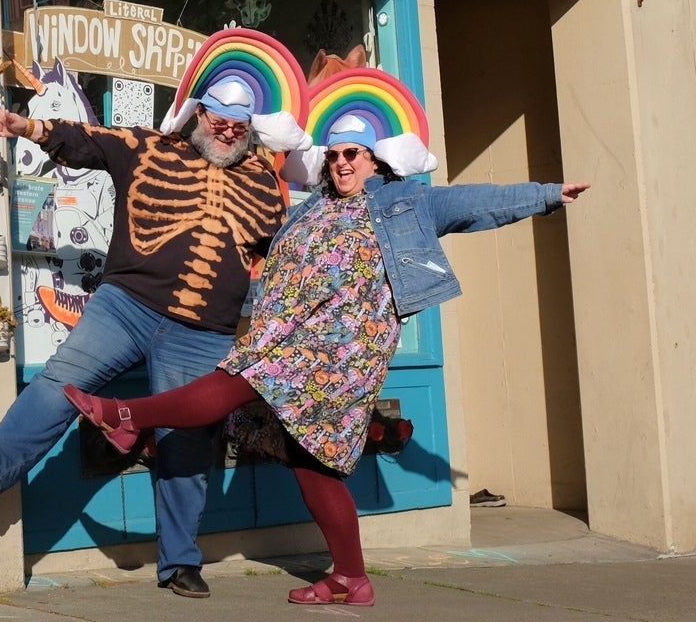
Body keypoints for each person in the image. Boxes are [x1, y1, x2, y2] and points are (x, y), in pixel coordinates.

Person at [63, 112, 590, 607]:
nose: (342, 163)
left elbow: (476, 201)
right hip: (290, 337)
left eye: (355, 154)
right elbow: (256, 252)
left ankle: (127, 417)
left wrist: (545, 195)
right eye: (335, 154)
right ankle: (350, 578)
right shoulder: (309, 210)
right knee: (310, 462)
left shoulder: (405, 203)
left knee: (236, 380)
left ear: (377, 161)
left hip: (341, 352)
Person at [0, 74, 311, 599]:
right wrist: (26, 126)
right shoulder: (148, 147)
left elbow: (277, 254)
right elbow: (89, 139)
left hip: (204, 333)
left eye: (237, 124)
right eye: (217, 117)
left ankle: (180, 561)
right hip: (126, 306)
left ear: (250, 129)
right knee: (61, 380)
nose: (225, 130)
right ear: (198, 114)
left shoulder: (265, 184)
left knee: (188, 442)